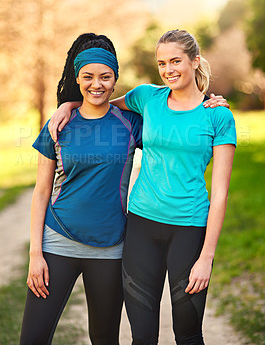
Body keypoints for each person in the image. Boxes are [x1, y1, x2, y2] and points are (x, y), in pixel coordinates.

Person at [49, 29, 235, 345]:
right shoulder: (147, 97)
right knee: (143, 336)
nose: (169, 70)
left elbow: (219, 194)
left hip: (188, 230)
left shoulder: (218, 116)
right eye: (162, 63)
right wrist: (67, 105)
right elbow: (100, 104)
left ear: (194, 61)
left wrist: (207, 256)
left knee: (188, 334)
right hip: (141, 227)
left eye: (176, 61)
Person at [20, 33, 143, 345]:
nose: (96, 84)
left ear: (115, 80)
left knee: (104, 338)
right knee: (33, 338)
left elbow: (172, 113)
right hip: (56, 244)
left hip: (111, 249)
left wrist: (207, 102)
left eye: (105, 77)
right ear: (78, 78)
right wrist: (36, 254)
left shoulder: (131, 123)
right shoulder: (58, 124)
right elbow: (41, 191)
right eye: (88, 77)